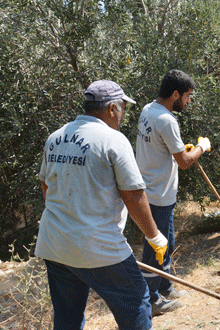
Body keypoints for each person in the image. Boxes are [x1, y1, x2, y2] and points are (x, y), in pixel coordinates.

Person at [35, 80, 168, 330]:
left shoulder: (55, 137)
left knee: (67, 318)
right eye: (122, 109)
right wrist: (155, 237)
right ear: (111, 109)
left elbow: (46, 186)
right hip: (99, 246)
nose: (122, 115)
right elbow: (133, 196)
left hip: (55, 245)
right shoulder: (113, 140)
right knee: (137, 302)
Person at [136, 69, 211, 315]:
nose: (188, 101)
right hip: (158, 194)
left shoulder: (149, 110)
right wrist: (202, 147)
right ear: (175, 94)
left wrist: (181, 148)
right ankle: (152, 300)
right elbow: (184, 161)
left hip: (153, 190)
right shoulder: (167, 119)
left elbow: (165, 147)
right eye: (188, 96)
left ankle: (166, 287)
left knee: (167, 244)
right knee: (155, 248)